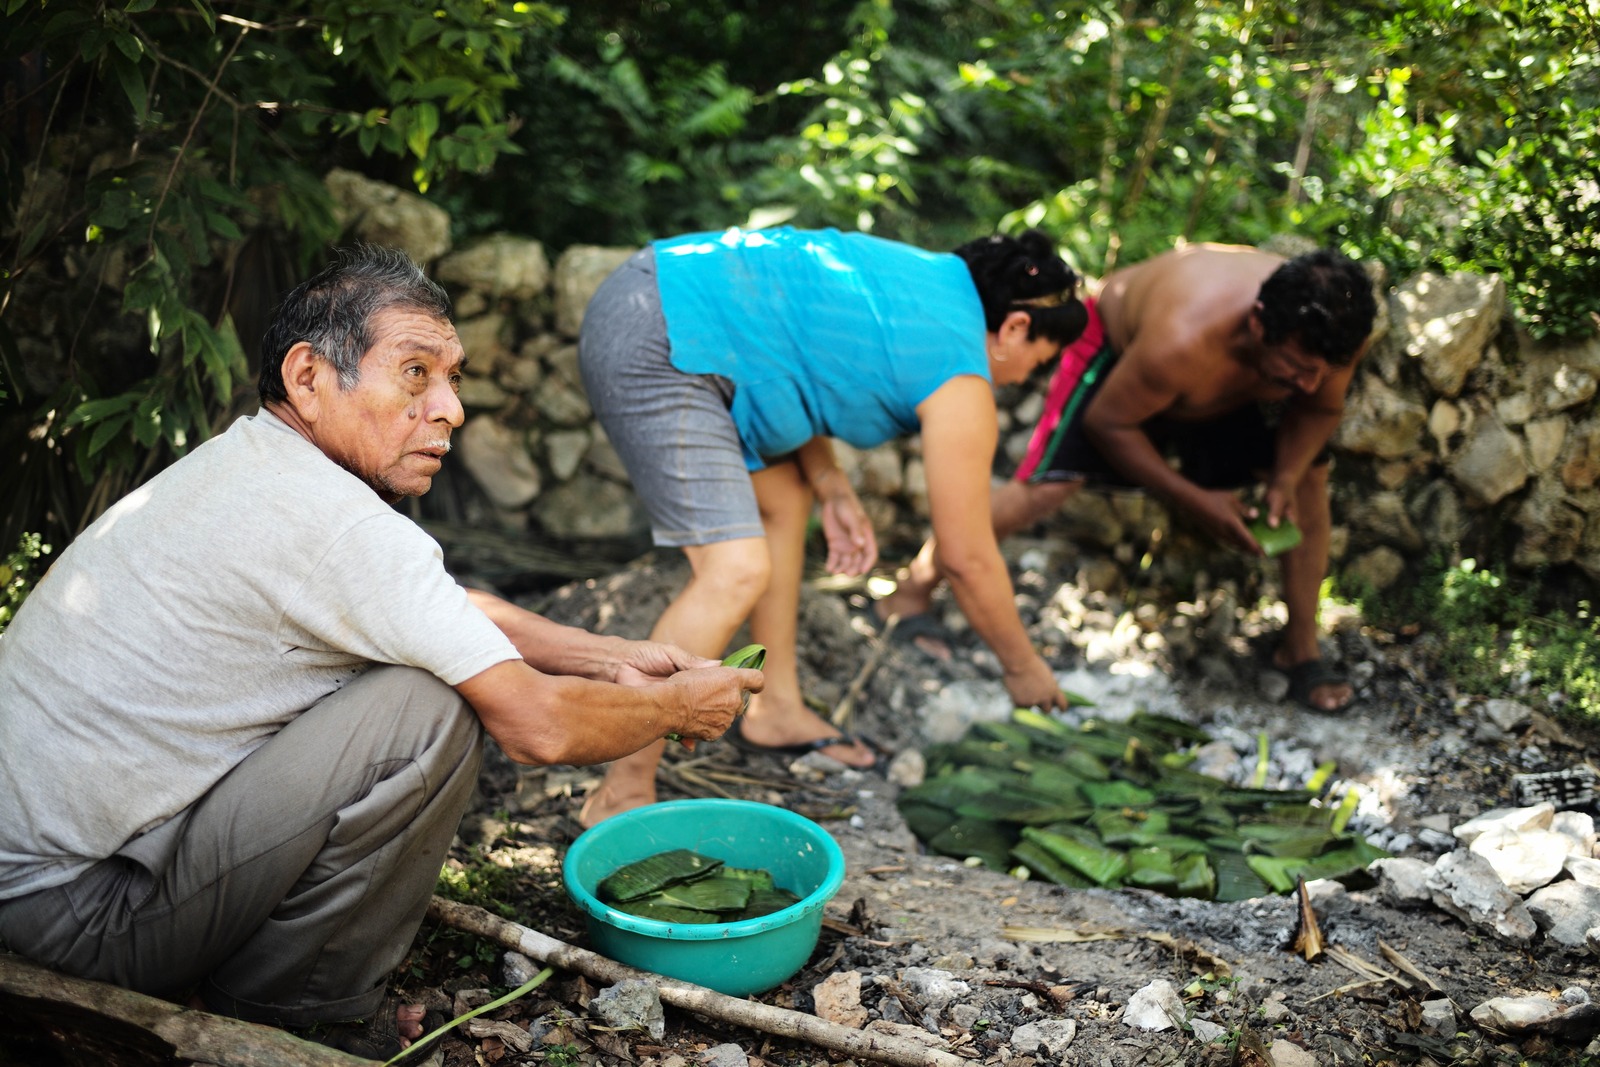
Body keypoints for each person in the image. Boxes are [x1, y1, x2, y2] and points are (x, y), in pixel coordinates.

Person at [0, 246, 762, 1059]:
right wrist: (680, 706)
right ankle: (299, 1006)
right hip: (75, 916)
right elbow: (538, 727)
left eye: (453, 377)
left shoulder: (258, 465)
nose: (449, 409)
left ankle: (248, 963)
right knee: (430, 709)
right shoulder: (343, 528)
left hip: (40, 877)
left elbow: (435, 606)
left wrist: (607, 658)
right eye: (413, 373)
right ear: (308, 377)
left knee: (420, 668)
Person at [574, 225, 1089, 827]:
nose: (1025, 378)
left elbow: (788, 341)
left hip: (663, 303)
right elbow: (966, 556)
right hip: (663, 338)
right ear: (1017, 327)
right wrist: (1023, 669)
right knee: (735, 569)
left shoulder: (923, 281)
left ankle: (777, 707)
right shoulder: (961, 371)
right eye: (1037, 364)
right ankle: (622, 791)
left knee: (785, 500)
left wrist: (830, 484)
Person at [875, 244, 1377, 713]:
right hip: (1120, 354)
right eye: (1296, 368)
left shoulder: (1330, 336)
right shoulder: (1183, 338)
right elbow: (1108, 424)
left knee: (1310, 480)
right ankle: (912, 589)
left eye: (1321, 371)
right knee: (1048, 485)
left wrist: (1285, 477)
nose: (1310, 385)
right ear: (1257, 323)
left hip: (1229, 381)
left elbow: (1317, 410)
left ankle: (1300, 650)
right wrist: (1197, 501)